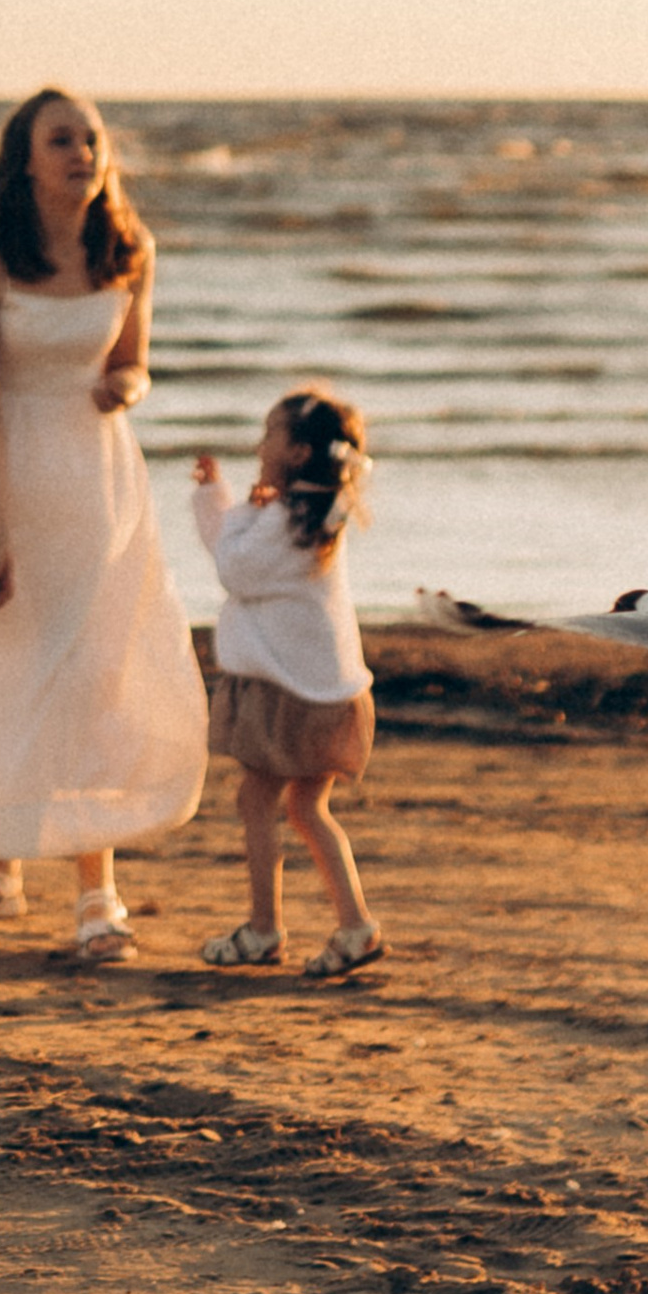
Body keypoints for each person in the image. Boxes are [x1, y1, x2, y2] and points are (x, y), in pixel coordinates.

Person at [0, 86, 207, 965]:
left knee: (89, 667)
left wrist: (126, 389)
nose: (82, 152)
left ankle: (95, 890)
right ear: (24, 160)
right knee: (8, 663)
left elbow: (133, 360)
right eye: (61, 139)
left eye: (92, 138)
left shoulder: (129, 247)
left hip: (92, 469)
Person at [190, 388, 384, 982]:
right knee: (305, 807)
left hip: (291, 695)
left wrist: (221, 501)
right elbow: (241, 556)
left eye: (269, 433)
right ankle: (353, 927)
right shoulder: (316, 515)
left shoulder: (283, 520)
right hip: (325, 690)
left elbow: (234, 567)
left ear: (298, 452)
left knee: (258, 801)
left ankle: (264, 930)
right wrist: (235, 504)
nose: (259, 443)